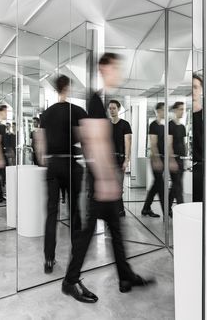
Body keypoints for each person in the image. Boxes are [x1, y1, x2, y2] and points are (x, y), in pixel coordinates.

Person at [62, 53, 155, 303]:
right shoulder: (94, 101)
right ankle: (70, 281)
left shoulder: (99, 102)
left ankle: (125, 277)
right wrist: (105, 181)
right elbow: (94, 145)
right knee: (87, 235)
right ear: (104, 68)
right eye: (115, 67)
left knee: (116, 229)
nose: (119, 72)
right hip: (100, 183)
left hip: (105, 181)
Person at [35, 75, 86, 274]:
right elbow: (83, 138)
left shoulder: (46, 114)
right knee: (74, 212)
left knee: (51, 214)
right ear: (68, 88)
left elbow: (39, 147)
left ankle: (49, 260)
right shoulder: (76, 111)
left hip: (53, 165)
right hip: (70, 164)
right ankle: (76, 257)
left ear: (57, 88)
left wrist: (47, 158)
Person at [108, 99, 132, 217]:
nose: (112, 110)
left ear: (118, 109)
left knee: (118, 187)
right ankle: (119, 210)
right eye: (110, 108)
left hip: (119, 159)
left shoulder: (125, 124)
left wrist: (127, 160)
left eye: (114, 108)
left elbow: (128, 142)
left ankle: (118, 210)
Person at [141, 102, 165, 218]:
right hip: (156, 159)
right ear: (159, 111)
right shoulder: (153, 125)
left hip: (162, 158)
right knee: (160, 186)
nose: (165, 112)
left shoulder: (163, 127)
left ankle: (146, 208)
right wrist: (157, 160)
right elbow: (153, 143)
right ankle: (167, 211)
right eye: (164, 110)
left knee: (156, 185)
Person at [168, 102, 186, 214]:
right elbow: (169, 144)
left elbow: (183, 143)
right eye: (180, 109)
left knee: (175, 186)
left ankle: (167, 208)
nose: (182, 111)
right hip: (174, 160)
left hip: (182, 159)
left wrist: (186, 159)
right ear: (175, 110)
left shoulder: (183, 126)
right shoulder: (170, 125)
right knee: (178, 187)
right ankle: (182, 212)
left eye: (183, 109)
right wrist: (172, 160)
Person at [192, 73, 204, 202]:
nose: (193, 90)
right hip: (192, 166)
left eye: (195, 87)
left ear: (201, 89)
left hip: (203, 166)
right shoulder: (186, 113)